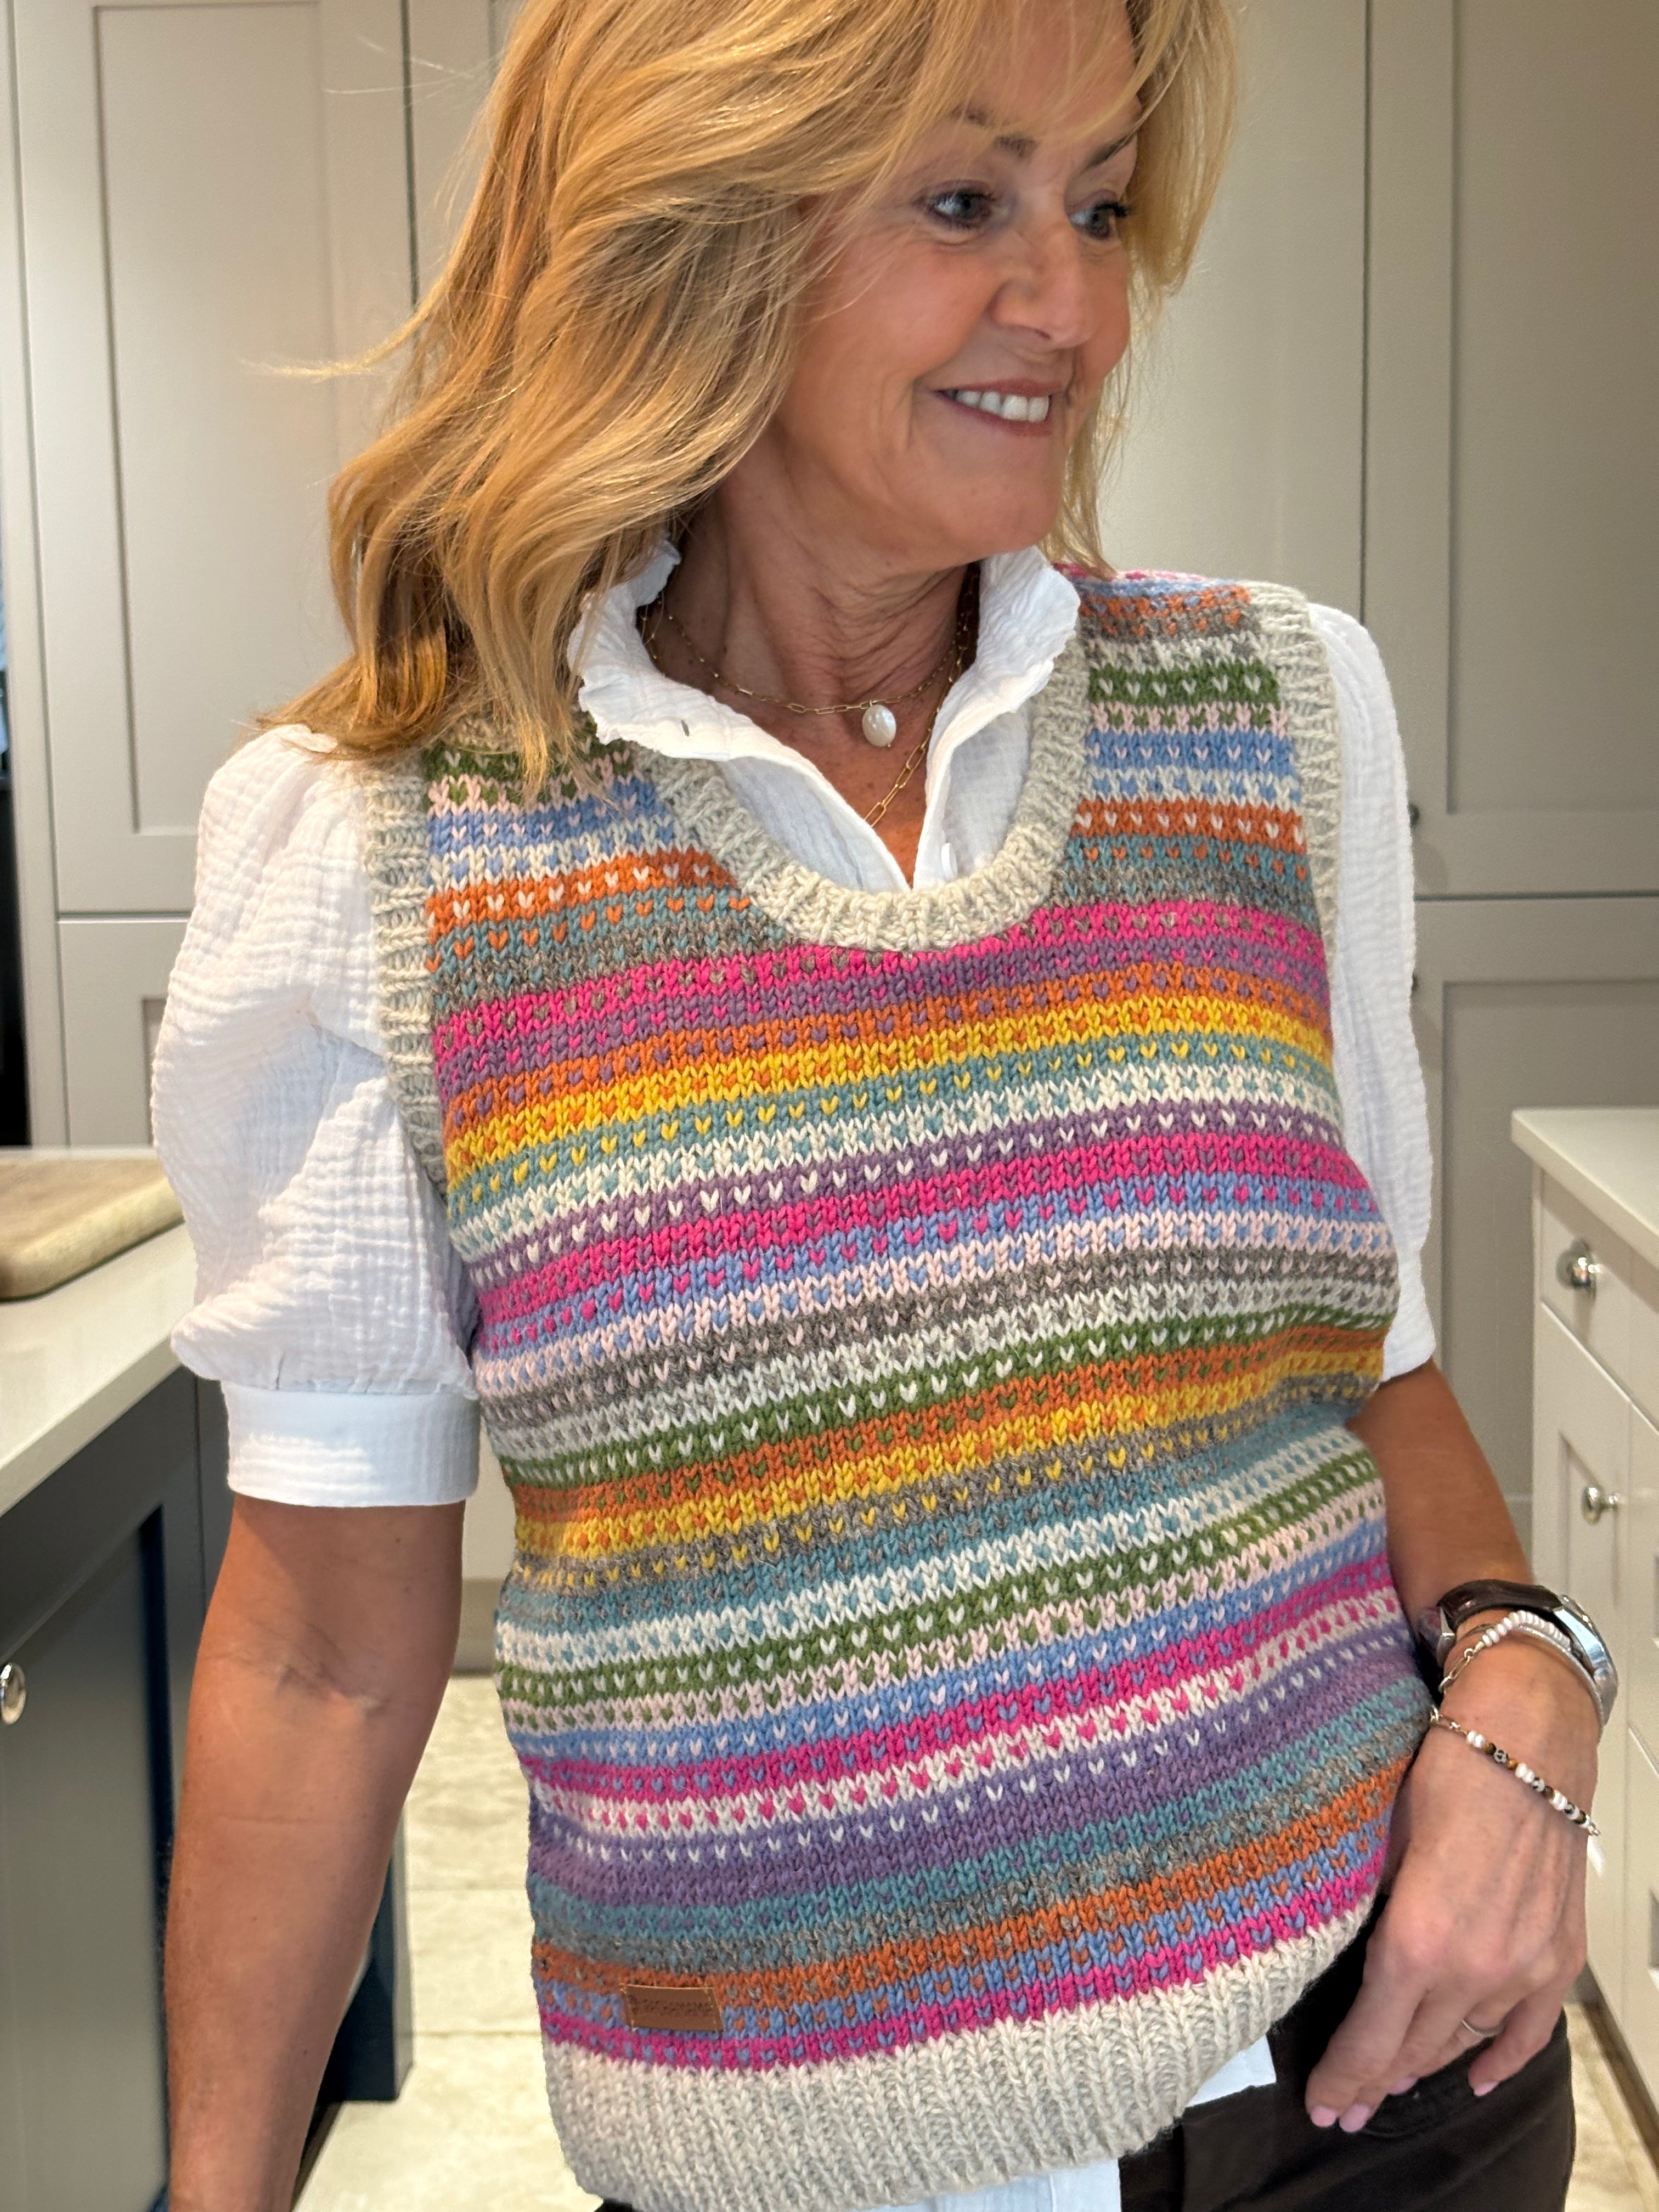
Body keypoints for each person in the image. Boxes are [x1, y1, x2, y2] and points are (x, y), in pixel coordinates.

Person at [154, 2, 1610, 2208]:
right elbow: (325, 1662)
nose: (1072, 305)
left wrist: (1531, 1694)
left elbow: (1371, 1361)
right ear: (697, 232)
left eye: (1099, 209)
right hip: (792, 2163)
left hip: (1382, 2094)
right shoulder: (388, 850)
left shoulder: (1274, 710)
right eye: (964, 200)